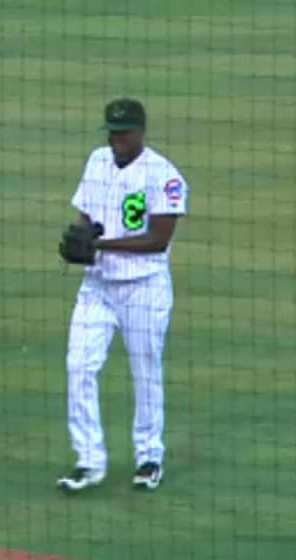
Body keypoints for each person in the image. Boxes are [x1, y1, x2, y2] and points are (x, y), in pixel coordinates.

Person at [56, 97, 189, 493]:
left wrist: (102, 247)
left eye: (124, 133)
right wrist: (81, 241)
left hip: (143, 288)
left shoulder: (163, 175)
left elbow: (158, 240)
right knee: (78, 366)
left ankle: (149, 457)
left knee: (144, 371)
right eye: (113, 132)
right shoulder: (96, 161)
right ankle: (89, 461)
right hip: (97, 288)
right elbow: (86, 219)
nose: (117, 139)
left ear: (141, 131)